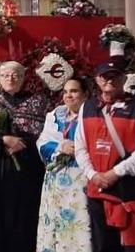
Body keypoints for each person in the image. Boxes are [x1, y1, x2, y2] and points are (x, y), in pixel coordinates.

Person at [75, 47, 135, 252]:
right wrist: (92, 174)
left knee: (134, 246)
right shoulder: (87, 108)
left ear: (123, 79)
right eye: (105, 77)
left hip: (128, 190)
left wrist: (116, 172)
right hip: (98, 190)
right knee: (103, 246)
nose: (110, 81)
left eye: (115, 76)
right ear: (97, 80)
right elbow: (80, 146)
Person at [0, 61, 52, 252]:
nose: (10, 79)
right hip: (0, 168)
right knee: (0, 216)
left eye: (15, 75)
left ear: (23, 78)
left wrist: (23, 144)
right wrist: (3, 140)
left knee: (27, 215)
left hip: (30, 165)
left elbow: (49, 133)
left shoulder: (40, 101)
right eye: (5, 75)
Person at [36, 77, 92, 252]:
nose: (68, 95)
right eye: (66, 92)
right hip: (56, 178)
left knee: (79, 222)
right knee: (55, 222)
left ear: (85, 94)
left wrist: (79, 148)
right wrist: (60, 146)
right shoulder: (55, 116)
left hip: (80, 178)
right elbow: (42, 143)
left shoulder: (92, 116)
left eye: (74, 91)